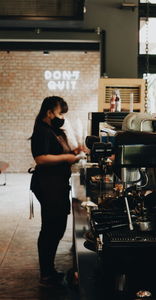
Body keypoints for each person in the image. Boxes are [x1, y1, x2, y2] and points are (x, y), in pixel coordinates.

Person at [30, 96, 83, 288]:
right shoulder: (41, 132)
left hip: (58, 184)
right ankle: (46, 273)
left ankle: (49, 269)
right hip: (48, 184)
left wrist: (75, 151)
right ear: (49, 112)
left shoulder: (53, 130)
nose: (62, 117)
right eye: (60, 113)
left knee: (57, 227)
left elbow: (60, 152)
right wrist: (67, 158)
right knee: (50, 229)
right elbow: (41, 158)